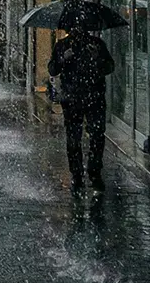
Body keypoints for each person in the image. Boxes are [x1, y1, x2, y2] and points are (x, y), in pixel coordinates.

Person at [49, 23, 116, 192]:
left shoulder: (96, 45)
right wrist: (63, 58)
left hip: (94, 97)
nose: (77, 32)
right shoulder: (62, 46)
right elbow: (52, 69)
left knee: (97, 135)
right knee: (74, 138)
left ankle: (94, 173)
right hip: (72, 100)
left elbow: (110, 67)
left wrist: (97, 58)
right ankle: (77, 174)